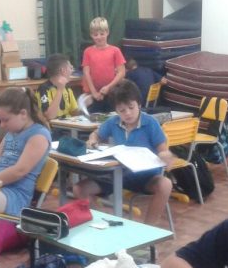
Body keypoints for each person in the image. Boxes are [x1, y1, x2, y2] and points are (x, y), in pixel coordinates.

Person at [74, 79, 174, 225]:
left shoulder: (150, 123)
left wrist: (166, 156)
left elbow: (163, 150)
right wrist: (92, 139)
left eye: (131, 107)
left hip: (146, 178)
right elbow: (96, 133)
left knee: (165, 184)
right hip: (119, 175)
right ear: (116, 111)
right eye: (122, 110)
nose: (127, 113)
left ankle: (148, 230)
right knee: (79, 189)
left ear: (139, 104)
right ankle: (102, 225)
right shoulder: (113, 122)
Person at [0, 87, 51, 217]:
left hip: (15, 195)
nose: (2, 125)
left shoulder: (39, 135)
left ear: (23, 114)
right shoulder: (12, 132)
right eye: (0, 120)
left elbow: (19, 171)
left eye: (6, 120)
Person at [81, 16, 126, 114]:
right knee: (95, 117)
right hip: (95, 95)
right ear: (91, 35)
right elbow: (86, 73)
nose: (99, 37)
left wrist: (109, 87)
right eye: (95, 34)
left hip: (113, 93)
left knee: (113, 117)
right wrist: (94, 92)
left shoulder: (115, 51)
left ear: (107, 32)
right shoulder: (88, 51)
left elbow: (121, 72)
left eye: (102, 34)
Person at [34, 53, 79, 121]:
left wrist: (83, 104)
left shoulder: (67, 88)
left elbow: (74, 112)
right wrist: (60, 90)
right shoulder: (44, 89)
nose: (72, 71)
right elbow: (49, 116)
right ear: (62, 70)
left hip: (69, 125)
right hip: (54, 126)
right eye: (70, 68)